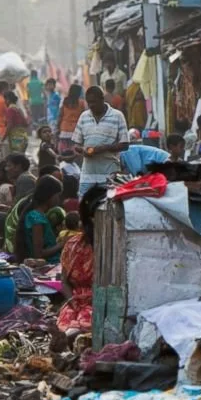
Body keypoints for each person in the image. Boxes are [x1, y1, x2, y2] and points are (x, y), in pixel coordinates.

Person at [56, 185, 104, 335]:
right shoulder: (73, 245)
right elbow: (64, 281)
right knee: (70, 330)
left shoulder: (114, 247)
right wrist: (73, 302)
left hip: (101, 305)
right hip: (76, 303)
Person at [72, 86, 128, 197]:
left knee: (109, 208)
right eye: (89, 102)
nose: (91, 105)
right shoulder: (84, 116)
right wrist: (83, 150)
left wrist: (102, 148)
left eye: (94, 101)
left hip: (109, 173)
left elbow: (125, 145)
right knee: (84, 206)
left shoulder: (117, 116)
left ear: (102, 99)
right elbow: (76, 145)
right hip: (88, 174)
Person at [14, 176, 65, 264]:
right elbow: (39, 254)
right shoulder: (36, 218)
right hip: (48, 264)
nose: (58, 199)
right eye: (57, 195)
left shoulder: (39, 215)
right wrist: (62, 244)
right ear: (49, 196)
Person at [0, 153, 31, 236]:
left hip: (26, 222)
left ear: (18, 167)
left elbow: (21, 210)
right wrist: (8, 208)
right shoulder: (24, 178)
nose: (6, 169)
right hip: (25, 218)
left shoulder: (24, 179)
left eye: (9, 166)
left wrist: (9, 211)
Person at [0, 90, 30, 157]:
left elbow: (10, 125)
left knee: (16, 159)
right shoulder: (18, 109)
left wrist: (2, 139)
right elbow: (26, 124)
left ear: (8, 100)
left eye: (5, 100)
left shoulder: (10, 110)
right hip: (23, 137)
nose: (4, 102)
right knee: (21, 159)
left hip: (16, 139)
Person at [57, 84, 84, 155]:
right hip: (76, 130)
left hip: (64, 129)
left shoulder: (64, 101)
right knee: (75, 152)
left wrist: (57, 128)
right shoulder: (81, 103)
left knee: (64, 151)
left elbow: (60, 116)